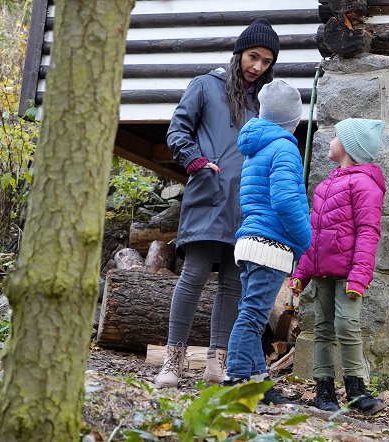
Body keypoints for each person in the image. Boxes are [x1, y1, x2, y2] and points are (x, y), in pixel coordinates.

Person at [155, 18, 280, 388]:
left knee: (232, 284)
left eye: (266, 62)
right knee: (192, 276)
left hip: (247, 205)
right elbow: (178, 129)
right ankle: (173, 361)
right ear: (239, 52)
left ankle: (217, 362)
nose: (257, 66)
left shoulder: (263, 102)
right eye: (253, 56)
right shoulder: (205, 86)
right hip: (208, 195)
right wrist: (195, 160)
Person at [289, 118, 387, 414]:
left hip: (347, 275)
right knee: (322, 328)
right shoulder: (325, 185)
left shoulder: (365, 184)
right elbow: (312, 234)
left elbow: (369, 233)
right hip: (321, 272)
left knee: (346, 325)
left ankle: (357, 390)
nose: (329, 142)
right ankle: (324, 389)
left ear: (348, 147)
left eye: (335, 137)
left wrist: (359, 276)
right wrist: (301, 272)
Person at [223, 79, 311, 405]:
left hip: (249, 241)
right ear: (294, 120)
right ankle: (233, 382)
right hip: (270, 245)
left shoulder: (255, 148)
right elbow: (287, 202)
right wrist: (305, 240)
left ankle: (260, 384)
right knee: (251, 318)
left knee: (251, 314)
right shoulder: (285, 147)